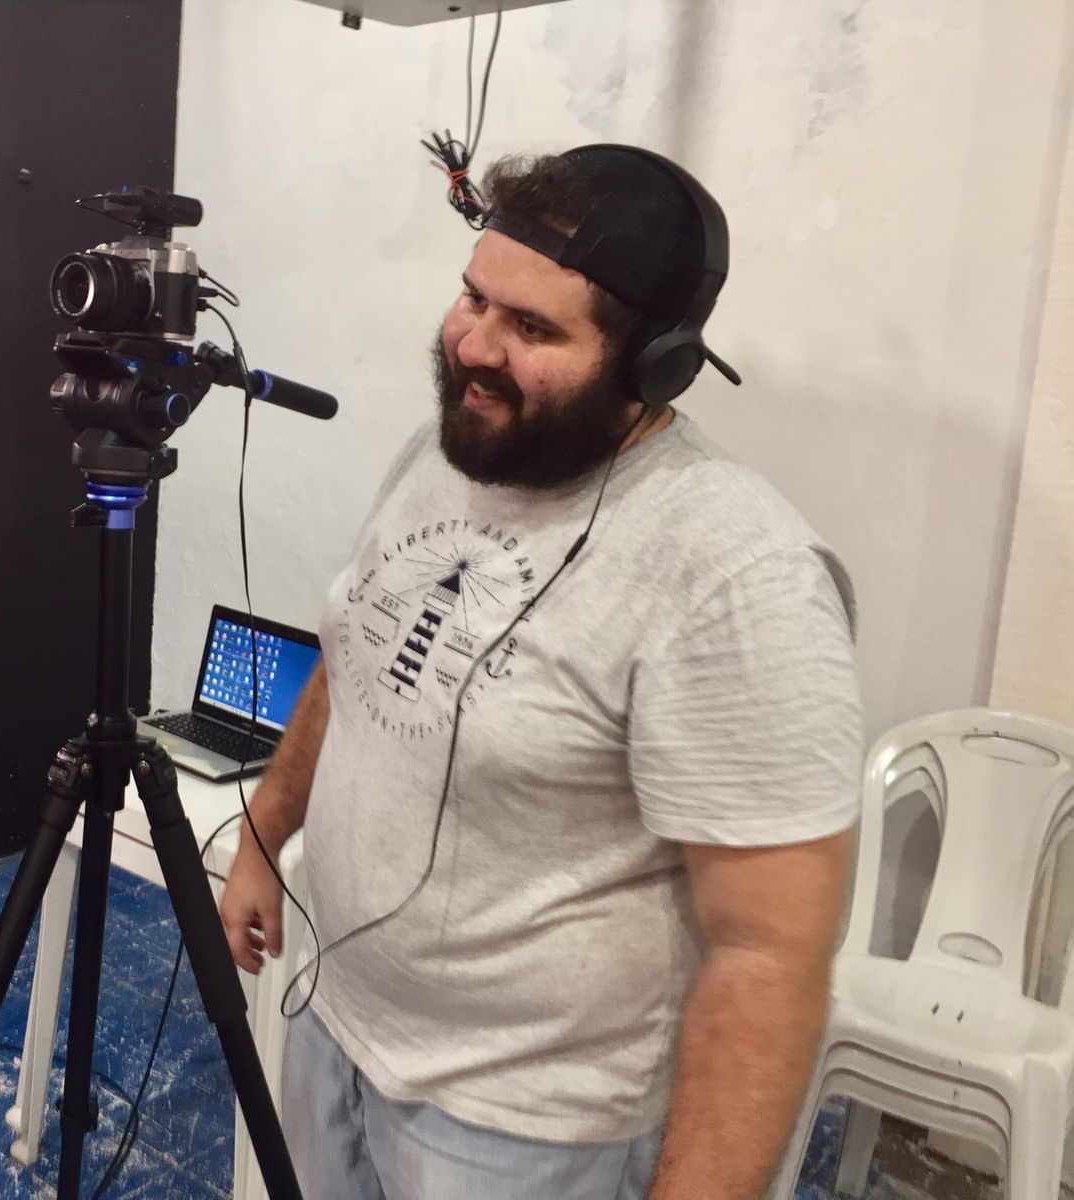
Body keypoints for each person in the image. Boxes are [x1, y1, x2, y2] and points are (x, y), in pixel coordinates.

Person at [218, 145, 864, 1200]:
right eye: (474, 297)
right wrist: (261, 835)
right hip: (334, 1025)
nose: (474, 345)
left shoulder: (738, 573)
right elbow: (356, 658)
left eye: (532, 328)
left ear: (652, 366)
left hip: (529, 1136)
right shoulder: (454, 449)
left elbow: (769, 956)